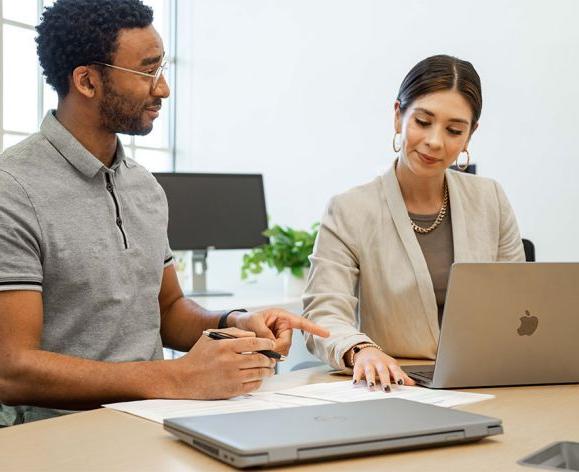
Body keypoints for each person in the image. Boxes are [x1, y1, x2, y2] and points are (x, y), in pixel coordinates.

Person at [0, 0, 328, 426]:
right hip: (57, 434)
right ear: (86, 81)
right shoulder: (14, 188)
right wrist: (173, 378)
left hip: (151, 422)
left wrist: (237, 321)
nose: (163, 88)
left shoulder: (144, 186)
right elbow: (12, 368)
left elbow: (168, 311)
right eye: (148, 71)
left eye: (163, 67)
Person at [302, 54, 524, 391]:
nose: (435, 141)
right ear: (398, 116)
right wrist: (361, 351)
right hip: (396, 382)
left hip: (487, 377)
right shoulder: (349, 210)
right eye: (423, 121)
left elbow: (519, 301)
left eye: (453, 130)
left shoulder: (489, 198)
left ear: (469, 135)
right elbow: (323, 313)